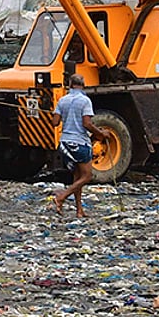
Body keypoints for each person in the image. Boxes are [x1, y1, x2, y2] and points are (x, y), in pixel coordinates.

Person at [52, 73, 100, 217]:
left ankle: (79, 210)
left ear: (70, 85)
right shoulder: (85, 101)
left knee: (77, 177)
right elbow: (87, 124)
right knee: (87, 176)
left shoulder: (62, 100)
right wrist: (101, 133)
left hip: (65, 143)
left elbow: (55, 122)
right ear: (83, 85)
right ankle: (62, 196)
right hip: (80, 143)